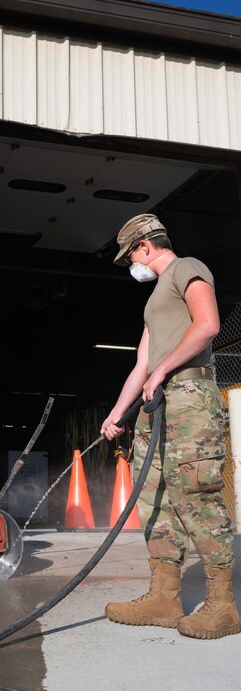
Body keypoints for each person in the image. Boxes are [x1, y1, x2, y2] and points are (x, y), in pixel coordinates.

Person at [101, 214, 240, 640]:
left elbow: (208, 325)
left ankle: (222, 606)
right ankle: (164, 597)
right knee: (155, 498)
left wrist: (161, 371)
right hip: (155, 403)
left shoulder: (187, 268)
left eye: (130, 258)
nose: (131, 267)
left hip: (189, 401)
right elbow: (142, 362)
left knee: (196, 495)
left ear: (145, 246)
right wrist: (117, 413)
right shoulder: (154, 299)